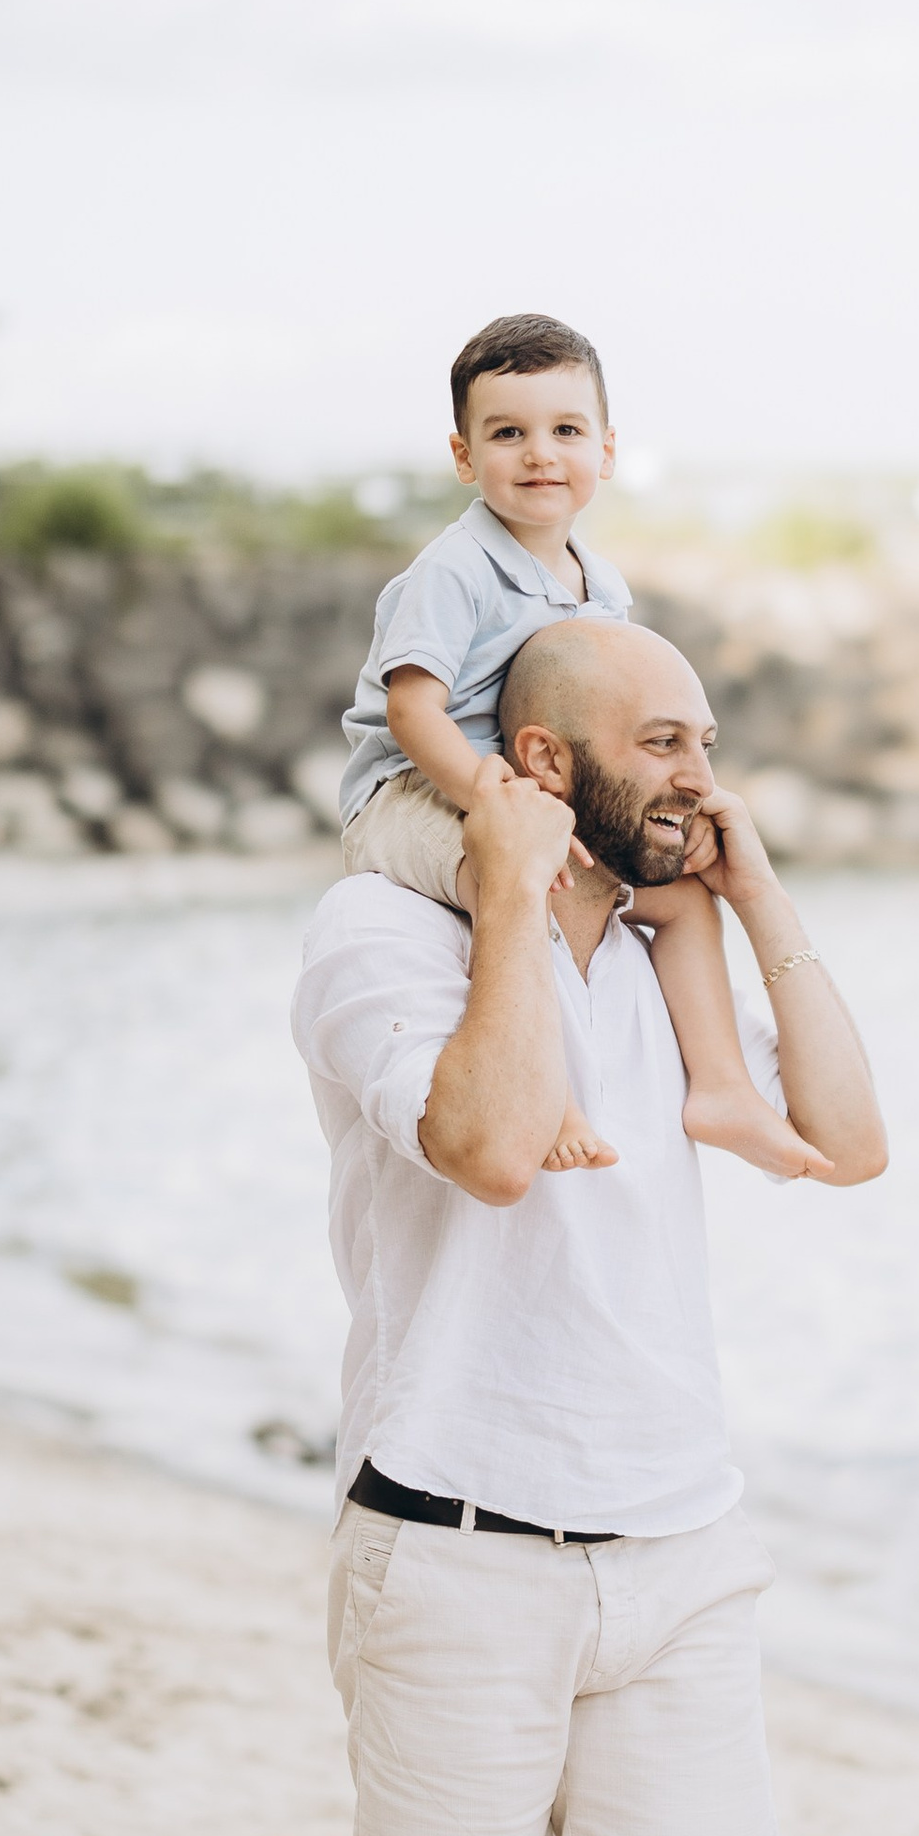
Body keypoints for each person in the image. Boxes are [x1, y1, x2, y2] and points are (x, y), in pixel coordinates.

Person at [291, 616, 886, 1836]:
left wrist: (756, 899)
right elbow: (488, 1144)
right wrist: (510, 892)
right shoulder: (378, 935)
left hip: (683, 1552)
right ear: (543, 763)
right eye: (666, 746)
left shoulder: (663, 949)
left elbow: (845, 1136)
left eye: (705, 738)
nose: (703, 776)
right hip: (459, 1551)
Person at [337, 309, 829, 1182]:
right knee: (519, 880)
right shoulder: (454, 571)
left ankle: (720, 1084)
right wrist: (497, 802)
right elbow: (413, 712)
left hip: (533, 788)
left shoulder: (602, 583)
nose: (539, 454)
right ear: (463, 456)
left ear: (606, 451)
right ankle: (549, 1088)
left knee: (675, 897)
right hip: (416, 788)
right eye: (508, 433)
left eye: (566, 430)